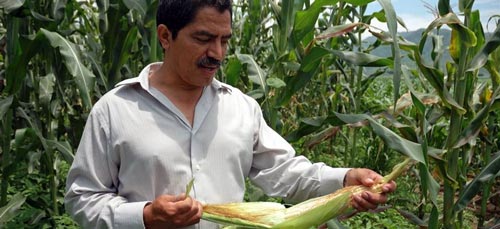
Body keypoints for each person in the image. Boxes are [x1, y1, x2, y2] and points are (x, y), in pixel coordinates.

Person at [64, 0, 396, 228]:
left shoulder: (241, 108)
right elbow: (82, 201)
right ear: (165, 36)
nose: (218, 54)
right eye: (204, 38)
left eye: (225, 40)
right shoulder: (115, 109)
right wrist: (146, 217)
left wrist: (343, 179)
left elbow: (286, 172)